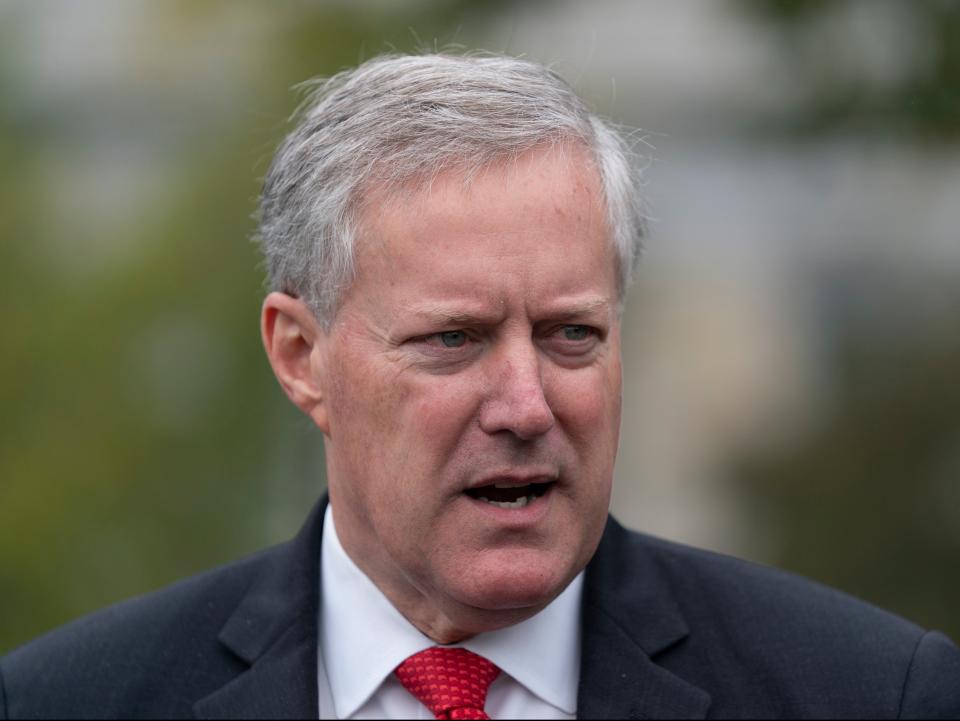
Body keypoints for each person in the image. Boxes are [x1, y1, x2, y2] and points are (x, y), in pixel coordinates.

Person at [2, 53, 958, 721]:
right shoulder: (67, 699)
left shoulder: (872, 691)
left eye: (570, 335)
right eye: (453, 339)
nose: (526, 404)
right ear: (301, 356)